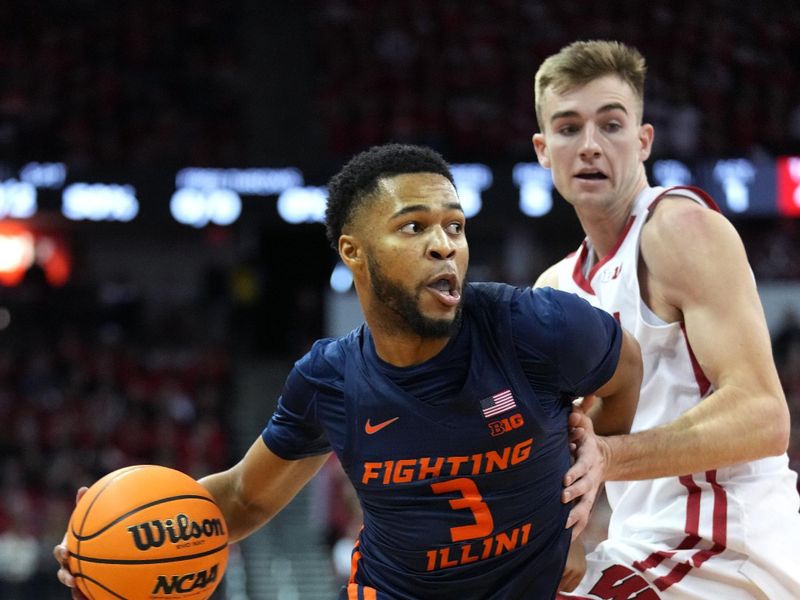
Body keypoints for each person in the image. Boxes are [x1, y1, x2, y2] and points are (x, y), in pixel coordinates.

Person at [55, 143, 643, 600]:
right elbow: (242, 497)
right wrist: (114, 533)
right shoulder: (329, 381)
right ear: (352, 251)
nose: (444, 245)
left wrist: (595, 510)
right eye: (414, 227)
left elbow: (627, 370)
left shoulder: (537, 328)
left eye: (455, 226)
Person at [531, 40, 800, 598]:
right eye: (568, 128)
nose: (590, 146)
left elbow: (764, 416)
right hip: (639, 548)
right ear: (541, 148)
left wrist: (610, 457)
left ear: (644, 140)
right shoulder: (554, 289)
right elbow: (563, 450)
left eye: (611, 125)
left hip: (730, 550)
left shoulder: (679, 230)